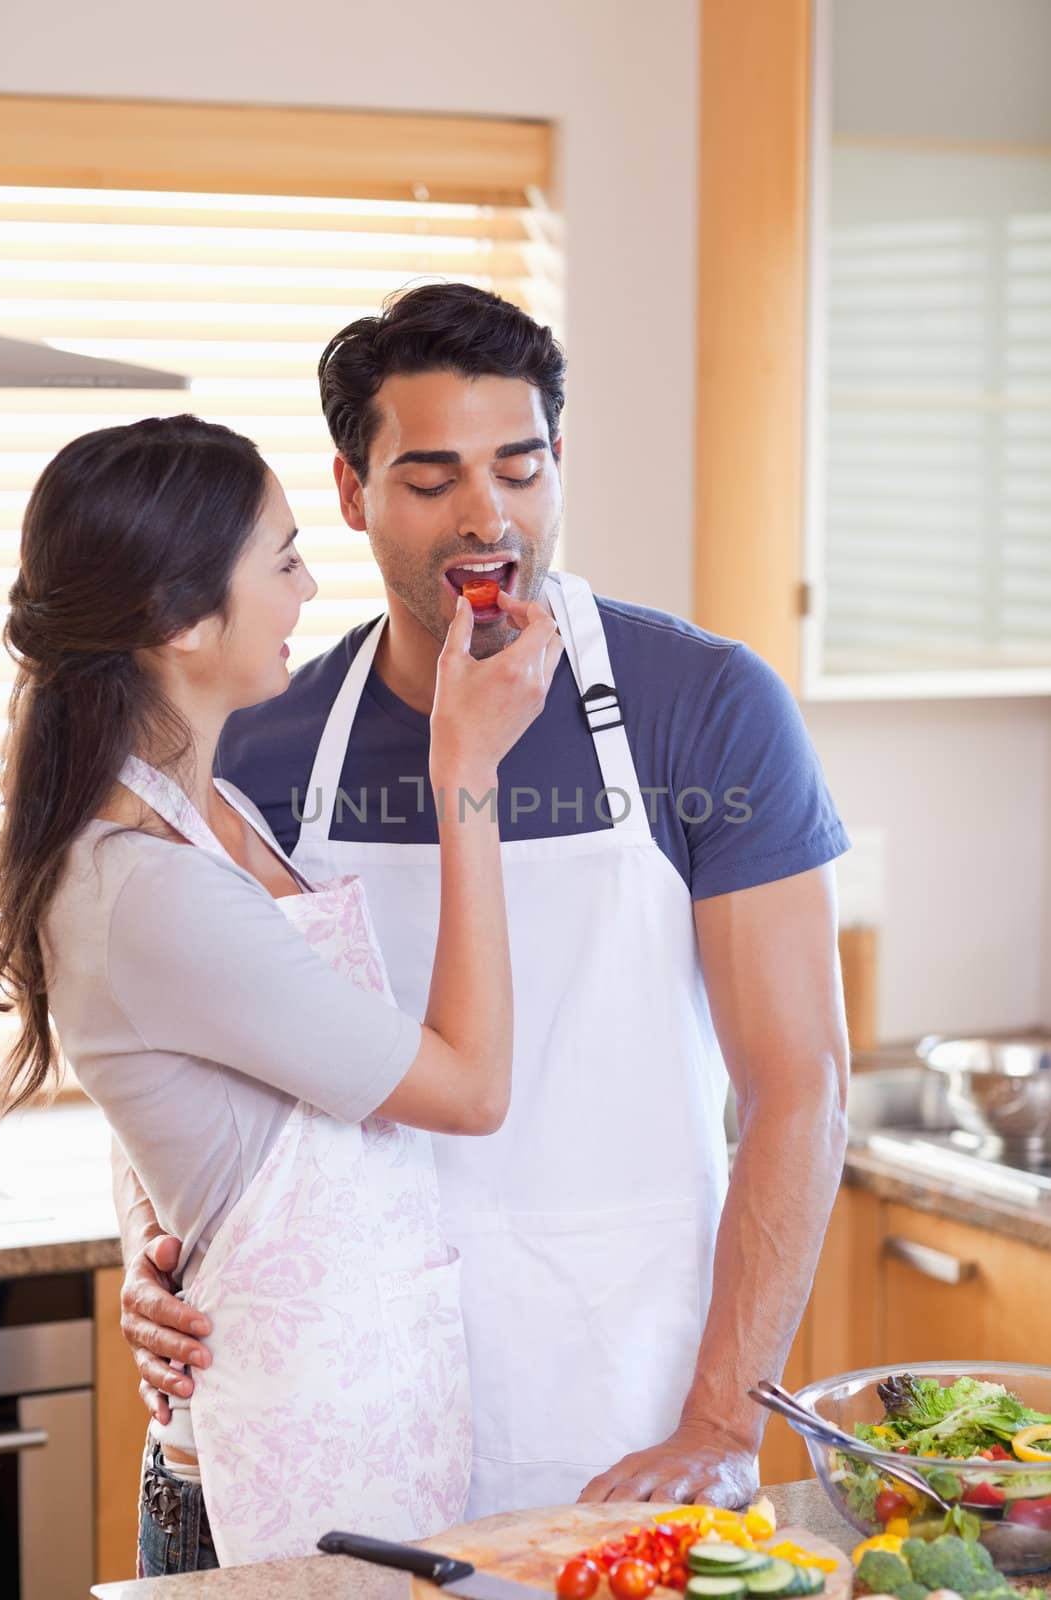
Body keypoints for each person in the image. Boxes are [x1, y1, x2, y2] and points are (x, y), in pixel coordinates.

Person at [119, 285, 852, 1534]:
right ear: (350, 495)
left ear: (558, 461)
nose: (486, 516)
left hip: (626, 1412)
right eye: (430, 478)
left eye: (520, 466)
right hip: (345, 1409)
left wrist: (724, 1418)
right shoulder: (264, 744)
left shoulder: (707, 707)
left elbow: (800, 1084)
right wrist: (157, 1252)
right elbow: (179, 1041)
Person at [0, 414, 562, 1574]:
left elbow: (189, 1076)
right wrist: (468, 776)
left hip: (363, 1464)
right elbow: (470, 1085)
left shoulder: (206, 812)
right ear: (178, 620)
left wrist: (157, 1218)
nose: (308, 588)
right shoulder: (141, 882)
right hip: (264, 1500)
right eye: (284, 559)